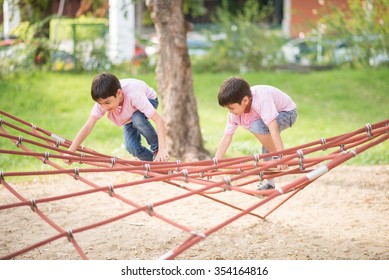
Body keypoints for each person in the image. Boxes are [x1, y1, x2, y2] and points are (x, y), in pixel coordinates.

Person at [65, 72, 169, 163]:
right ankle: (154, 163)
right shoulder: (103, 103)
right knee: (131, 147)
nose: (104, 107)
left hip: (148, 99)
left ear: (119, 93)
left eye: (107, 103)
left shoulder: (134, 95)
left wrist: (162, 149)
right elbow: (88, 127)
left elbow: (159, 121)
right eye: (100, 103)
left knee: (137, 119)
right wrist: (70, 152)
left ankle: (157, 149)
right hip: (129, 111)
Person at [214, 76, 297, 190]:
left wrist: (281, 157)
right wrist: (216, 162)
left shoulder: (261, 100)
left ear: (245, 100)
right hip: (266, 121)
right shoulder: (234, 114)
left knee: (258, 127)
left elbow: (273, 129)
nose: (230, 112)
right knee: (264, 140)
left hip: (287, 113)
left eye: (232, 108)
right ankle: (270, 183)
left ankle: (281, 156)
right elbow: (227, 136)